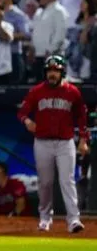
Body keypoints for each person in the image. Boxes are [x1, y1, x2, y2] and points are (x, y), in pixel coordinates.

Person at [18, 55, 88, 233]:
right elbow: (22, 111)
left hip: (65, 142)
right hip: (43, 142)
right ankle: (44, 218)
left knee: (67, 180)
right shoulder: (37, 91)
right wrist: (27, 122)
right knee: (46, 182)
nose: (52, 74)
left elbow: (81, 116)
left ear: (62, 72)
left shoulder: (72, 92)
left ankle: (73, 219)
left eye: (55, 71)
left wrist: (83, 139)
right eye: (49, 70)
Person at [30, 0, 69, 75]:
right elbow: (34, 31)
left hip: (52, 55)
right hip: (38, 55)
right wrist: (32, 48)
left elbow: (60, 33)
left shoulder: (59, 11)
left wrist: (51, 50)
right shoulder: (39, 11)